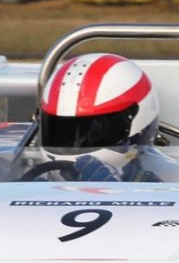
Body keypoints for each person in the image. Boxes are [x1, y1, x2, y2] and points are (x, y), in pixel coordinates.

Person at [29, 52, 164, 182]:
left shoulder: (174, 182)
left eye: (93, 131)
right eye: (60, 131)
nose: (75, 143)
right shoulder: (31, 185)